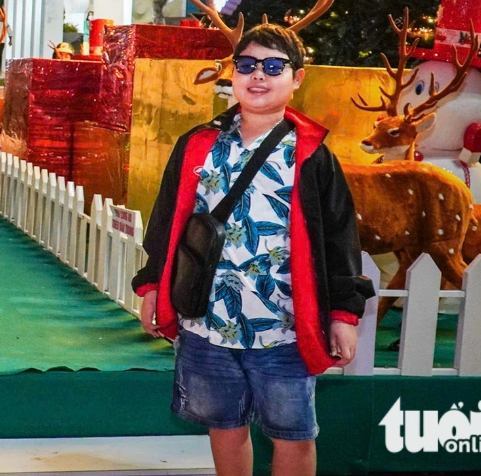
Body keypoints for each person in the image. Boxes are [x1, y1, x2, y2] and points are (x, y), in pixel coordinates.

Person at [131, 24, 373, 476]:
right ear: (233, 74)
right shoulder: (197, 145)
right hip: (207, 321)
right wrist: (151, 285)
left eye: (273, 66)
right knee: (224, 426)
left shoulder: (312, 154)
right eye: (247, 65)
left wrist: (343, 314)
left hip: (283, 327)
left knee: (292, 434)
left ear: (297, 78)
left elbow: (340, 239)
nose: (258, 76)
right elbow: (167, 223)